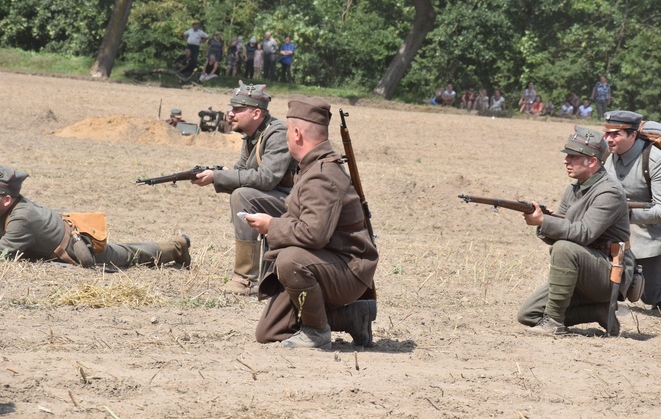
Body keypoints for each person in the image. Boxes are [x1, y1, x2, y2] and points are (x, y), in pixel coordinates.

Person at [242, 95, 378, 349]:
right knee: (269, 332)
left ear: (296, 134)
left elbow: (313, 234)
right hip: (327, 262)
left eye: (285, 134)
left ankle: (316, 332)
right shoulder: (313, 167)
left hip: (348, 270)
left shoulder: (322, 176)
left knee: (290, 260)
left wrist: (271, 226)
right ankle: (352, 316)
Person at [517, 126, 634, 336]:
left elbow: (584, 233)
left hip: (609, 272)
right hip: (582, 268)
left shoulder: (610, 191)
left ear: (592, 161)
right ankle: (598, 311)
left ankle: (553, 322)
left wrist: (545, 221)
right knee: (528, 315)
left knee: (564, 249)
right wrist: (544, 222)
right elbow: (560, 234)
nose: (566, 160)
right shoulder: (573, 189)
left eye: (573, 156)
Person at [191, 82, 296, 296]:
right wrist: (216, 175)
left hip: (296, 203)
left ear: (256, 113)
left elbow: (266, 178)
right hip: (280, 197)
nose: (230, 115)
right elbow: (240, 171)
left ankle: (245, 279)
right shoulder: (252, 134)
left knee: (242, 195)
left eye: (237, 110)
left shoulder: (276, 134)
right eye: (232, 109)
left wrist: (218, 176)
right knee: (242, 192)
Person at [0, 166, 190, 269]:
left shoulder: (22, 219)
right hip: (63, 231)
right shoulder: (13, 206)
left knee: (131, 254)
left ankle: (176, 246)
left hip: (81, 249)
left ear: (7, 199)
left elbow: (3, 254)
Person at [602, 110, 661, 311]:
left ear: (633, 135)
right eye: (606, 133)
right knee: (608, 289)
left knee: (648, 296)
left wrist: (626, 214)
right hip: (611, 235)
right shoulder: (607, 155)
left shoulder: (654, 160)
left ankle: (659, 291)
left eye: (615, 134)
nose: (608, 139)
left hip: (646, 236)